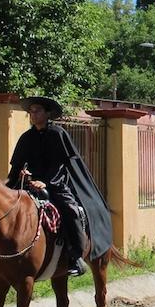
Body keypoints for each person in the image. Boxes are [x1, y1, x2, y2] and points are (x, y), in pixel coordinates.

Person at [7, 95, 113, 277]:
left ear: (47, 113)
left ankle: (76, 258)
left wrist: (45, 182)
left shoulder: (57, 134)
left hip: (55, 183)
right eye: (31, 111)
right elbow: (17, 165)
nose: (33, 114)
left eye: (37, 110)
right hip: (28, 185)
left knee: (71, 210)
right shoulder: (26, 138)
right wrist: (20, 176)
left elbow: (60, 164)